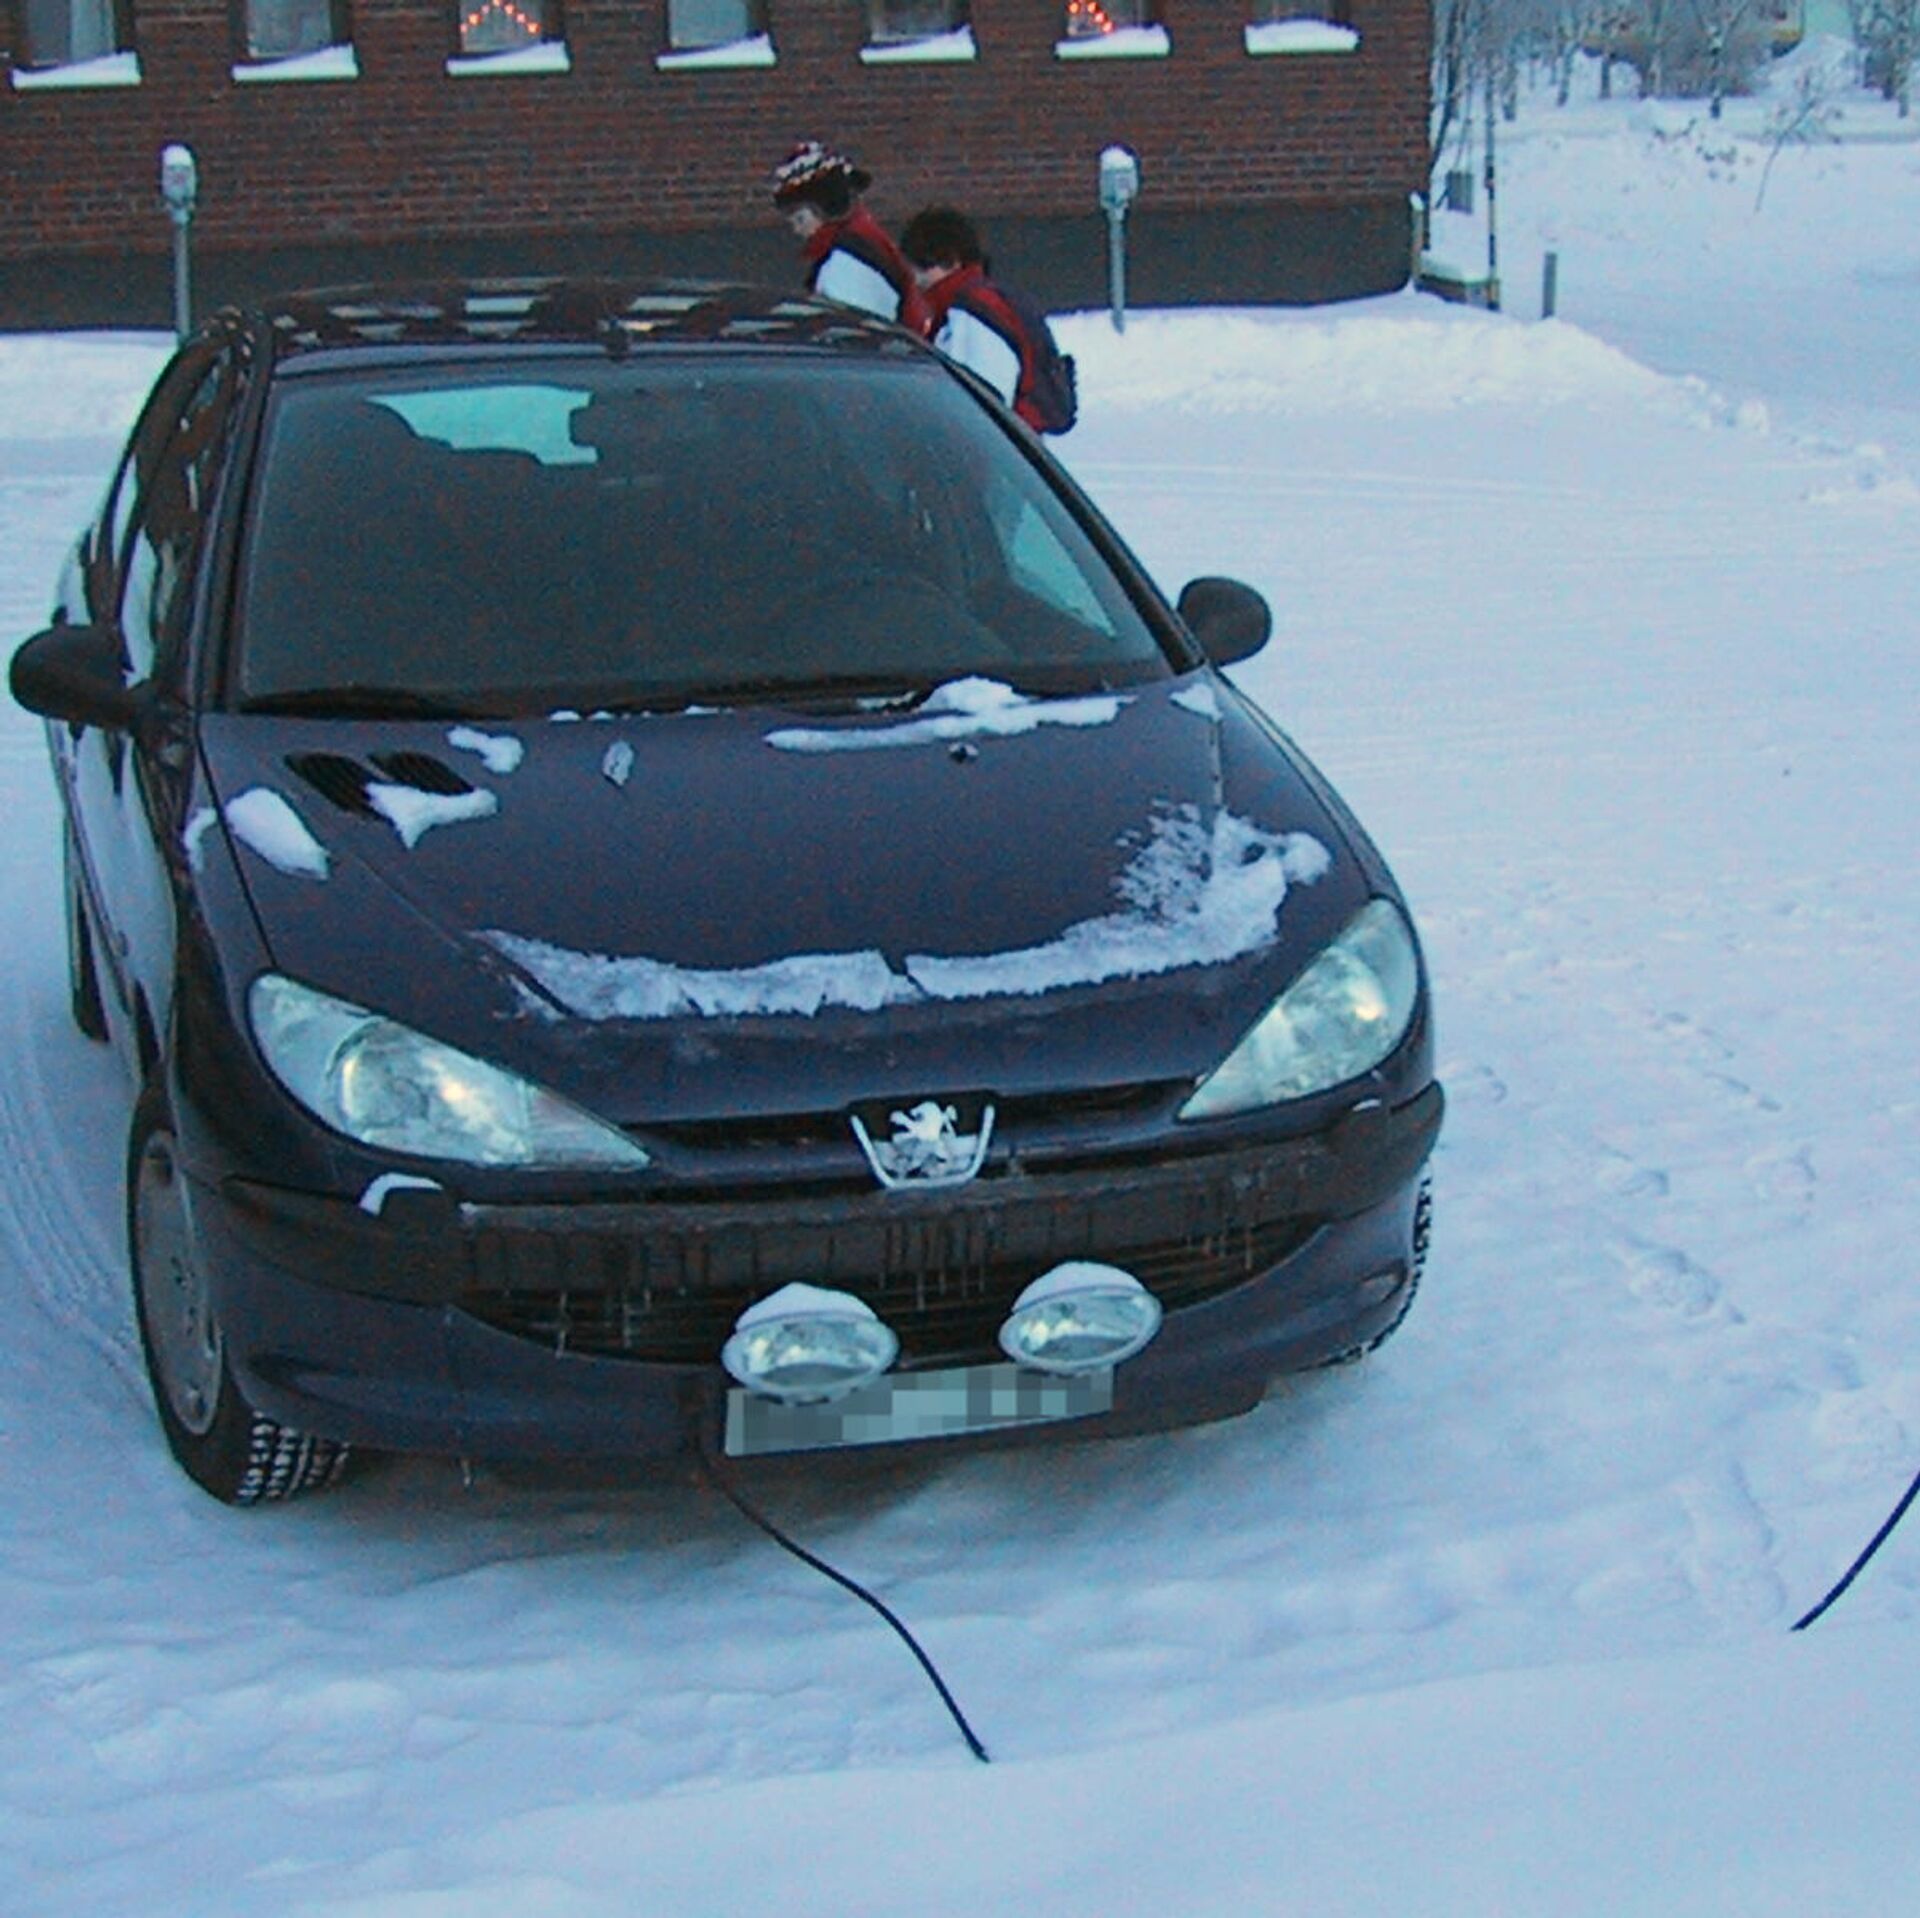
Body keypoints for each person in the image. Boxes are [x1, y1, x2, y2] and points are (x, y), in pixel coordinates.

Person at [898, 205, 1075, 435]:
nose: (916, 279)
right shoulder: (974, 304)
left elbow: (978, 409)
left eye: (923, 266)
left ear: (952, 261)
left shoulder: (972, 314)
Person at [770, 140, 929, 334]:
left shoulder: (844, 266)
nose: (796, 229)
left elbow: (849, 338)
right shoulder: (863, 240)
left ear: (821, 210)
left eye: (799, 218)